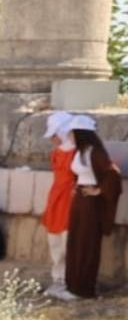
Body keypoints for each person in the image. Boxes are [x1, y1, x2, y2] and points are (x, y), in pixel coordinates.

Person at [66, 123, 123, 299]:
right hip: (79, 200)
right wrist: (77, 184)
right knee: (75, 241)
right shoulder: (79, 152)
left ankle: (84, 288)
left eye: (72, 134)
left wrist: (98, 190)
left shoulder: (95, 152)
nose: (70, 138)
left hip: (91, 204)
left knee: (87, 243)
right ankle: (73, 286)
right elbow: (79, 173)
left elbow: (112, 174)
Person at [42, 114, 80, 298]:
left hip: (70, 200)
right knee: (54, 240)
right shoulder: (56, 153)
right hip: (56, 199)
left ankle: (70, 281)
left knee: (68, 241)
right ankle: (58, 279)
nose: (51, 138)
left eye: (54, 133)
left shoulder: (79, 152)